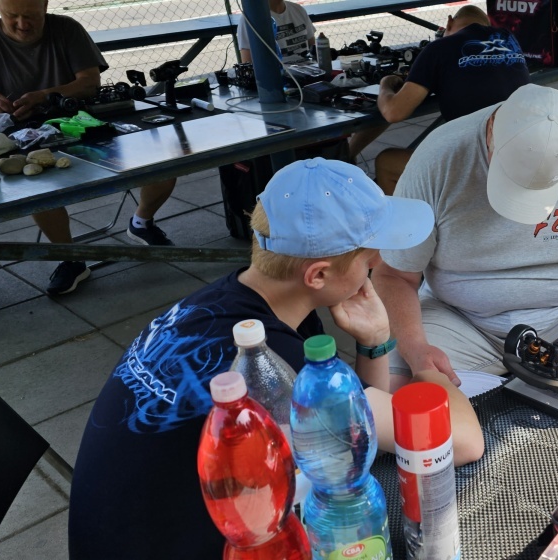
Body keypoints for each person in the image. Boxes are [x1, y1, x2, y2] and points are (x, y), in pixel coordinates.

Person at [68, 158, 485, 559]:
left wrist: (374, 342)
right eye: (368, 256)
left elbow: (356, 429)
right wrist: (425, 364)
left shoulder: (218, 305)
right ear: (317, 275)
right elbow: (462, 442)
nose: (379, 261)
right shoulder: (270, 366)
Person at [372, 84, 558, 389]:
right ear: (492, 131)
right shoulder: (437, 157)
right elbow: (394, 275)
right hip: (461, 321)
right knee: (398, 386)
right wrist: (416, 348)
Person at [0, 0, 179, 295]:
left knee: (165, 159)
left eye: (30, 16)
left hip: (83, 120)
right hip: (21, 134)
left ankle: (141, 222)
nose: (22, 25)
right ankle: (69, 256)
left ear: (45, 5)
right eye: (12, 16)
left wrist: (44, 95)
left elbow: (89, 82)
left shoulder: (67, 29)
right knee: (39, 188)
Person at [371, 4, 530, 194]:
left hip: (477, 163)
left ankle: (418, 214)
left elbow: (393, 112)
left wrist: (386, 84)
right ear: (486, 25)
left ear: (448, 22)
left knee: (386, 162)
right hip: (522, 152)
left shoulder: (438, 48)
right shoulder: (509, 39)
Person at [237, 0, 315, 63]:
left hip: (309, 72)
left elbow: (313, 48)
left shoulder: (298, 10)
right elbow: (247, 62)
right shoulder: (250, 19)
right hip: (277, 75)